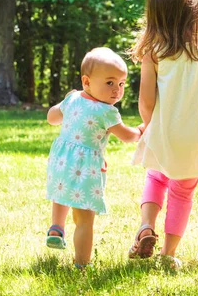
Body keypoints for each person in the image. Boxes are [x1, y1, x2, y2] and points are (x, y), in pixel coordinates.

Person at [127, 0, 198, 268]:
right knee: (183, 192)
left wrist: (150, 126)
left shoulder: (155, 53)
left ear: (155, 17)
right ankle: (169, 253)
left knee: (156, 176)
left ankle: (146, 226)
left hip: (166, 133)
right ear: (194, 16)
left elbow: (146, 100)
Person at [45, 47, 144, 268]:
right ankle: (82, 264)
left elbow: (52, 118)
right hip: (84, 166)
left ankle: (56, 227)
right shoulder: (107, 112)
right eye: (109, 83)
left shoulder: (72, 99)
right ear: (87, 82)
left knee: (62, 192)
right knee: (84, 219)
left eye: (121, 84)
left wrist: (65, 103)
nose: (117, 90)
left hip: (61, 160)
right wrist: (140, 131)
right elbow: (127, 137)